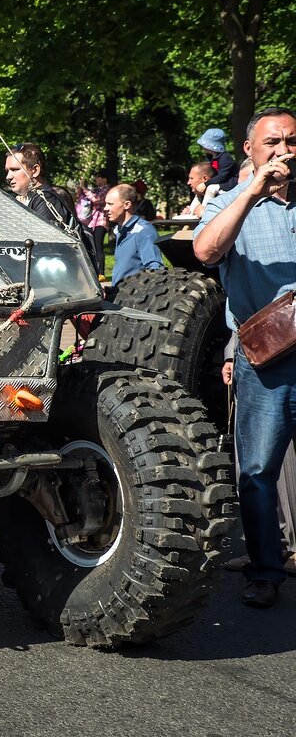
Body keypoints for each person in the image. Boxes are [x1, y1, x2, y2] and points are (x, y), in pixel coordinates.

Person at [193, 105, 296, 608]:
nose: (284, 151)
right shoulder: (232, 200)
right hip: (268, 360)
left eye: (292, 141)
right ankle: (265, 570)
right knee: (257, 471)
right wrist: (253, 191)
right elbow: (206, 252)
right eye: (272, 142)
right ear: (250, 152)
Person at [221, 337, 296, 576]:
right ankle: (266, 554)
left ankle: (290, 546)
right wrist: (232, 352)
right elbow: (237, 304)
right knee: (255, 463)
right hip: (256, 343)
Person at [106, 183, 163, 286]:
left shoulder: (143, 231)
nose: (105, 208)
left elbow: (156, 271)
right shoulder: (120, 230)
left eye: (110, 204)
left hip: (133, 298)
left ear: (127, 205)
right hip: (119, 296)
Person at [75, 169, 111, 275]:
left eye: (98, 177)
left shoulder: (107, 190)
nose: (96, 179)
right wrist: (81, 189)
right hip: (92, 221)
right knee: (92, 246)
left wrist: (84, 188)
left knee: (98, 245)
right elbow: (85, 198)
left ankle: (101, 273)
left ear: (105, 179)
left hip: (102, 221)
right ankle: (94, 270)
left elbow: (96, 199)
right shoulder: (97, 189)